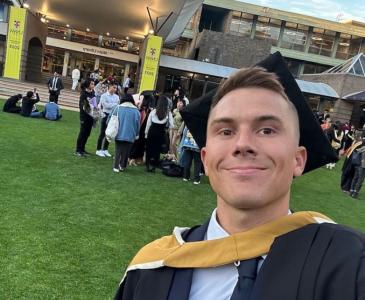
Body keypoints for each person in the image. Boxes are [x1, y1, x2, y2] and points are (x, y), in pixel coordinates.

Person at [114, 53, 364, 300]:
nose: (243, 144)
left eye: (267, 130)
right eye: (226, 131)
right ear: (206, 160)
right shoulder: (151, 270)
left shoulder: (349, 265)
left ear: (298, 160)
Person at [144, 95, 174, 172]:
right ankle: (154, 166)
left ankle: (148, 165)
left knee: (149, 149)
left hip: (152, 132)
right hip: (160, 133)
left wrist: (146, 133)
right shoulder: (168, 113)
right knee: (157, 150)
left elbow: (148, 124)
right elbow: (172, 125)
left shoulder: (153, 111)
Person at [112, 94, 140, 172]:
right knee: (126, 151)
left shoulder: (118, 108)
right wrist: (137, 134)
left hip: (118, 132)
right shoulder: (136, 111)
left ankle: (116, 166)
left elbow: (110, 119)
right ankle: (122, 166)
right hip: (131, 134)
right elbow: (138, 124)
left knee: (118, 150)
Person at [96, 83, 120, 157]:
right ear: (109, 87)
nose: (115, 89)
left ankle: (105, 149)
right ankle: (98, 149)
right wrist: (114, 104)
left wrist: (112, 104)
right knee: (103, 132)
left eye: (116, 88)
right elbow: (106, 106)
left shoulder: (116, 96)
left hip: (113, 116)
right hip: (105, 115)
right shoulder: (104, 96)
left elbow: (118, 104)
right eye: (114, 87)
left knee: (109, 132)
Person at [75, 79, 96, 157]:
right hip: (84, 117)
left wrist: (95, 110)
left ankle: (82, 149)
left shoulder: (93, 93)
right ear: (88, 85)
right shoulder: (83, 93)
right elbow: (81, 106)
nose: (93, 85)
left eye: (94, 84)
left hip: (91, 116)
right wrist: (88, 108)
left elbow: (94, 104)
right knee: (82, 133)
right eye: (92, 84)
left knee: (87, 134)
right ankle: (78, 150)